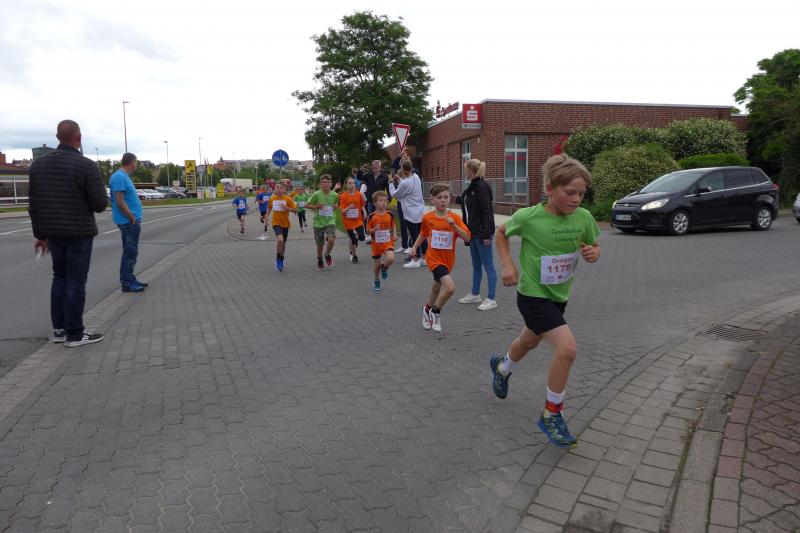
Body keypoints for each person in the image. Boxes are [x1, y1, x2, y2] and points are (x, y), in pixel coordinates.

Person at [490, 154, 601, 449]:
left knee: (528, 341)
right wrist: (508, 265)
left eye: (581, 194)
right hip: (532, 295)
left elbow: (594, 245)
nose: (576, 199)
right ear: (550, 188)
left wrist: (593, 253)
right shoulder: (529, 216)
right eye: (570, 192)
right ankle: (552, 413)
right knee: (567, 349)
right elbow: (500, 233)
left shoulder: (583, 218)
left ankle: (502, 368)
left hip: (559, 296)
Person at [28, 119, 107, 347]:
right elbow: (100, 204)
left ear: (57, 138)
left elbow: (34, 205)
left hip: (53, 233)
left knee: (60, 277)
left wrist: (40, 236)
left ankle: (60, 329)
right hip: (79, 232)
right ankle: (75, 334)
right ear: (79, 138)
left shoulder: (38, 166)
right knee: (76, 281)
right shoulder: (86, 165)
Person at [409, 183, 470, 333]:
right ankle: (435, 311)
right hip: (434, 258)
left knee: (436, 288)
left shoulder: (455, 218)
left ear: (450, 199)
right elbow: (423, 234)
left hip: (448, 260)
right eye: (439, 197)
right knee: (450, 288)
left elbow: (467, 237)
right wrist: (414, 247)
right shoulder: (428, 218)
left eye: (446, 197)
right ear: (432, 200)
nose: (443, 200)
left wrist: (454, 226)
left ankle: (426, 309)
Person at [457, 158, 498, 311]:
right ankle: (475, 294)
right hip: (472, 232)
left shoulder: (482, 186)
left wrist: (487, 234)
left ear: (471, 170)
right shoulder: (473, 186)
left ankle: (491, 298)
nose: (464, 172)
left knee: (489, 266)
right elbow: (466, 199)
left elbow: (487, 211)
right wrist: (452, 197)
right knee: (476, 266)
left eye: (465, 169)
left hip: (482, 233)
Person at [109, 153, 147, 293]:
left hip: (130, 221)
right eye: (136, 162)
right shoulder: (119, 177)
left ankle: (130, 278)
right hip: (128, 222)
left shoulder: (124, 177)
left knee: (131, 252)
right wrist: (132, 218)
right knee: (129, 252)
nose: (136, 165)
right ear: (131, 162)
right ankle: (126, 282)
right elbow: (119, 201)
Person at [390, 160, 426, 268]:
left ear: (403, 170)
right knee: (422, 235)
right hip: (420, 211)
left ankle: (415, 259)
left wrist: (391, 184)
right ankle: (424, 258)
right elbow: (406, 185)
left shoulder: (405, 183)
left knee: (414, 236)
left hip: (411, 213)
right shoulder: (416, 177)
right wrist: (399, 179)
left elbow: (394, 194)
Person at [306, 175, 340, 271]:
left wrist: (335, 206)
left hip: (330, 220)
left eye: (328, 182)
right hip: (318, 222)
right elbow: (307, 205)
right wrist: (317, 206)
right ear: (321, 184)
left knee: (331, 239)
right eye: (324, 182)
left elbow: (337, 203)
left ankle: (327, 254)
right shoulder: (317, 194)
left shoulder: (335, 195)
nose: (326, 184)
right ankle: (320, 259)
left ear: (331, 184)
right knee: (320, 244)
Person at [365, 191, 396, 291]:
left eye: (385, 201)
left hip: (387, 242)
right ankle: (376, 280)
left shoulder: (390, 214)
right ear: (375, 203)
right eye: (381, 201)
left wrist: (394, 233)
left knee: (391, 258)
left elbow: (393, 224)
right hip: (376, 244)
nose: (384, 203)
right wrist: (374, 229)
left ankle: (384, 267)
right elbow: (367, 230)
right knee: (377, 265)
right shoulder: (372, 216)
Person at [267, 182, 297, 272]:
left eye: (281, 187)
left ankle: (281, 259)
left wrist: (287, 208)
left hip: (285, 224)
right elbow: (269, 208)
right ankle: (278, 258)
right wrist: (267, 217)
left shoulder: (288, 199)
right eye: (277, 187)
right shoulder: (272, 198)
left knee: (283, 244)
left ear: (284, 189)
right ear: (275, 189)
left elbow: (295, 210)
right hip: (276, 223)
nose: (279, 189)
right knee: (280, 239)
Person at [339, 177, 367, 263]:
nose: (352, 185)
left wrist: (364, 212)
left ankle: (353, 241)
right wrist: (348, 208)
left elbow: (362, 205)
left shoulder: (358, 194)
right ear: (346, 185)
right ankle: (354, 255)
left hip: (358, 220)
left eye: (353, 183)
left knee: (362, 237)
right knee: (353, 240)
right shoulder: (343, 196)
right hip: (348, 221)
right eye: (350, 183)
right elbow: (342, 211)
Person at [363, 160, 390, 243]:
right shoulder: (368, 175)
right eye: (373, 165)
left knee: (380, 218)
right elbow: (359, 177)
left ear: (380, 167)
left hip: (380, 202)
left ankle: (380, 236)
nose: (374, 167)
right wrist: (361, 169)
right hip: (371, 201)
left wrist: (389, 198)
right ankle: (371, 236)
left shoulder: (384, 176)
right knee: (371, 218)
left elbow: (388, 188)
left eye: (376, 165)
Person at [391, 150, 411, 253]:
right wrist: (398, 157)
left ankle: (411, 245)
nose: (404, 157)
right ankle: (404, 245)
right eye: (403, 156)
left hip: (409, 201)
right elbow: (392, 168)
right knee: (403, 223)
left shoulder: (413, 170)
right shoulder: (398, 170)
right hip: (400, 200)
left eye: (406, 156)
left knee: (410, 223)